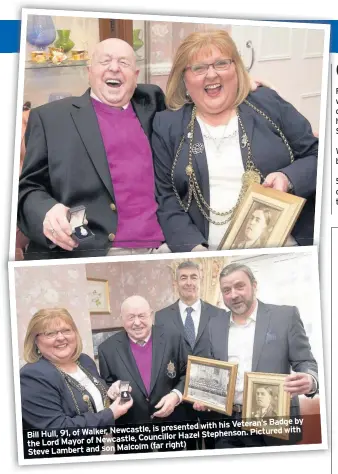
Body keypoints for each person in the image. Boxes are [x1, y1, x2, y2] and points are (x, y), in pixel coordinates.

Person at [152, 30, 318, 252]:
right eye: (199, 68)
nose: (211, 75)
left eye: (221, 63)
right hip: (207, 251)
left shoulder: (267, 103)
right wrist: (192, 248)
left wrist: (288, 178)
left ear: (236, 69)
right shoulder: (167, 125)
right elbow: (167, 197)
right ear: (184, 78)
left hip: (286, 244)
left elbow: (318, 155)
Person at [17, 38, 167, 260]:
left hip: (160, 248)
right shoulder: (51, 118)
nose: (114, 67)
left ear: (136, 77)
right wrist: (47, 211)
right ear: (89, 71)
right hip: (86, 249)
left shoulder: (152, 103)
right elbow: (28, 189)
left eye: (123, 63)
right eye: (105, 61)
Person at [195, 262, 318, 448]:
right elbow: (211, 371)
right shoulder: (213, 325)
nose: (233, 295)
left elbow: (305, 361)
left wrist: (310, 380)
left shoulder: (285, 316)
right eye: (226, 290)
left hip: (273, 423)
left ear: (254, 285)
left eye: (239, 286)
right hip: (228, 425)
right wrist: (204, 396)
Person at [20, 308, 132, 456]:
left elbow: (89, 402)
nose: (60, 337)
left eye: (66, 330)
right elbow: (58, 431)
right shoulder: (32, 376)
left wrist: (112, 392)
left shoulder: (84, 361)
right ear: (35, 340)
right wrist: (111, 413)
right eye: (50, 333)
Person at [98, 295, 187, 451]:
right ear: (122, 319)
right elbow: (107, 383)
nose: (137, 322)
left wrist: (176, 395)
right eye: (131, 317)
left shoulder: (173, 338)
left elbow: (187, 374)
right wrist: (113, 390)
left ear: (151, 315)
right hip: (131, 429)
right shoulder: (107, 349)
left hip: (171, 424)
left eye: (142, 316)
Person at [155, 260, 224, 449]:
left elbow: (222, 355)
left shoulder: (219, 314)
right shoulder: (161, 317)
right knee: (186, 449)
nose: (189, 282)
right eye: (183, 277)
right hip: (178, 397)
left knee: (214, 447)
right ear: (175, 283)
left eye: (194, 277)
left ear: (201, 281)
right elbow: (162, 355)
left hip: (211, 398)